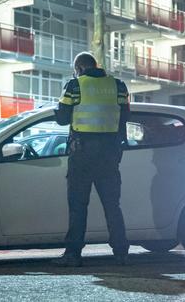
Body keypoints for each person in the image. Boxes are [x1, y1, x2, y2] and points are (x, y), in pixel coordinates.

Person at [52, 52, 130, 267]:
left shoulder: (75, 85)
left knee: (78, 206)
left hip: (82, 156)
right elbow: (125, 117)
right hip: (109, 155)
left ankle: (73, 254)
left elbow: (62, 118)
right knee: (112, 205)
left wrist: (56, 109)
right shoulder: (119, 86)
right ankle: (121, 253)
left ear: (79, 69)